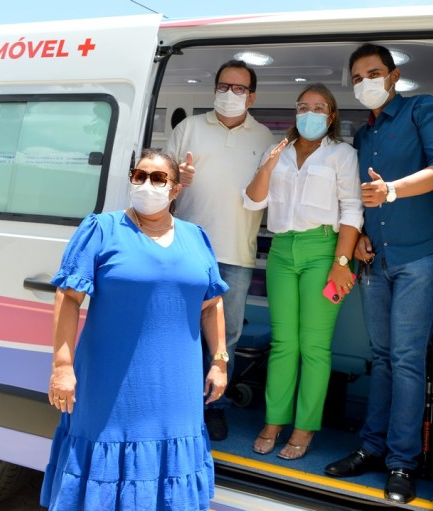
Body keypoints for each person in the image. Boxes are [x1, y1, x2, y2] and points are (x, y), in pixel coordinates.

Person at [40, 149, 229, 510]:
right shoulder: (102, 229)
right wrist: (62, 367)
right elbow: (68, 298)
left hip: (177, 387)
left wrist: (219, 361)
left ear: (175, 190)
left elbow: (212, 304)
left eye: (158, 178)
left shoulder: (196, 237)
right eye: (139, 176)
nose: (146, 184)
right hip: (112, 386)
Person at [323, 43, 433, 505]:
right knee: (381, 357)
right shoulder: (363, 133)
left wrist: (392, 191)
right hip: (375, 259)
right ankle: (372, 447)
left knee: (406, 358)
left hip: (421, 255)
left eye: (374, 73)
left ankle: (402, 462)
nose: (366, 83)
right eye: (358, 78)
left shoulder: (423, 109)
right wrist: (360, 236)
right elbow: (359, 199)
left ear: (394, 75)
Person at [244, 83, 363, 461]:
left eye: (318, 107)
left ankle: (305, 427)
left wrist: (341, 263)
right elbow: (253, 202)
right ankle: (274, 420)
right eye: (302, 107)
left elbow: (352, 209)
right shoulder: (276, 152)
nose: (309, 113)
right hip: (282, 249)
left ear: (331, 116)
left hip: (324, 249)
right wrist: (267, 167)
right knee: (284, 344)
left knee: (314, 346)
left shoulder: (342, 154)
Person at [165, 59, 274, 441]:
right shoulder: (188, 128)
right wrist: (177, 178)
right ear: (214, 90)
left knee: (225, 338)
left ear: (252, 97)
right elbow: (157, 183)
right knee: (179, 331)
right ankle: (178, 406)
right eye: (224, 87)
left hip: (236, 254)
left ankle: (214, 408)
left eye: (239, 88)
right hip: (185, 249)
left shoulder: (265, 138)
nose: (230, 94)